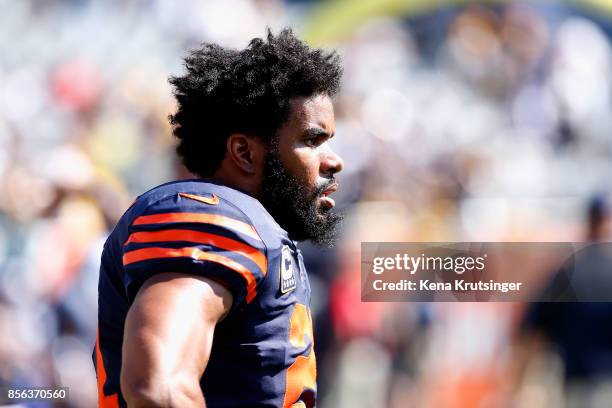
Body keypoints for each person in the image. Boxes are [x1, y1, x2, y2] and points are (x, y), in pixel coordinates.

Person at [93, 28, 344, 407]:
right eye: (311, 140)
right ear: (243, 152)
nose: (334, 161)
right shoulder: (210, 216)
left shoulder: (253, 227)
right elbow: (159, 388)